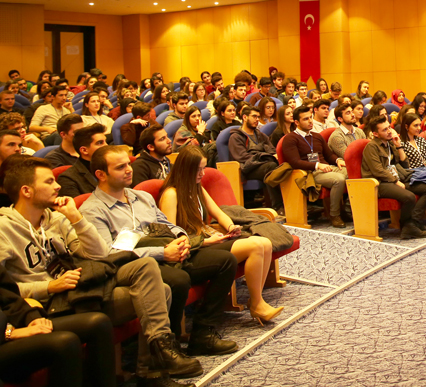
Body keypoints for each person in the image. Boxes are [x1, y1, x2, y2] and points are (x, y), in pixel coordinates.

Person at [1, 154, 200, 386]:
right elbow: (6, 291)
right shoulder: (5, 229)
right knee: (163, 290)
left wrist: (76, 219)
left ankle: (156, 361)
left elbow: (99, 256)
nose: (57, 185)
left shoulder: (56, 219)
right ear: (26, 191)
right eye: (48, 182)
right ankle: (152, 370)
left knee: (147, 269)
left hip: (80, 289)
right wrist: (48, 286)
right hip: (50, 303)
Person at [81, 146, 239, 358]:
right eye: (121, 167)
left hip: (166, 253)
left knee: (225, 260)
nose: (129, 170)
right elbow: (111, 252)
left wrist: (181, 238)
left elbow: (166, 224)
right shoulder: (92, 210)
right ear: (101, 174)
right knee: (178, 279)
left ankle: (202, 334)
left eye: (128, 164)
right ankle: (167, 348)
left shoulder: (141, 197)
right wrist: (162, 253)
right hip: (132, 266)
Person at [158, 145, 284, 323]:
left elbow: (217, 212)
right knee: (256, 246)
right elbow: (172, 237)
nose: (202, 174)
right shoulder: (171, 194)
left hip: (207, 239)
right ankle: (256, 303)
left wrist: (231, 226)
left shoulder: (196, 187)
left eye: (203, 168)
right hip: (193, 250)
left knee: (266, 243)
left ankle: (257, 301)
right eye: (198, 170)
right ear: (185, 169)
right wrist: (206, 242)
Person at [0, 262, 117, 387]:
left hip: (9, 326)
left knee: (98, 323)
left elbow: (9, 296)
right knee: (65, 343)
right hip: (4, 338)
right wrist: (9, 333)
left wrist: (31, 317)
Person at [361, 115, 426, 239]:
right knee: (409, 196)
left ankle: (411, 224)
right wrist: (395, 181)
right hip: (379, 183)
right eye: (384, 130)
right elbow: (378, 171)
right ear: (375, 134)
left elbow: (404, 164)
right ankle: (408, 226)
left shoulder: (390, 144)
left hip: (395, 179)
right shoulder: (372, 147)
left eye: (389, 127)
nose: (389, 131)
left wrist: (398, 146)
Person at [279, 106, 349, 228]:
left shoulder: (316, 136)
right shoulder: (290, 139)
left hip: (326, 168)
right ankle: (335, 214)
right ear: (296, 122)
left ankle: (349, 210)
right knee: (339, 180)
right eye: (306, 119)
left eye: (310, 118)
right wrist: (317, 165)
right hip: (309, 173)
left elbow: (328, 155)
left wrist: (338, 160)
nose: (310, 121)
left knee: (353, 173)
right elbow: (294, 162)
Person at [228, 107, 283, 211]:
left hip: (262, 164)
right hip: (247, 168)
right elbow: (242, 157)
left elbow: (271, 149)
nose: (257, 119)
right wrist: (264, 155)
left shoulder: (259, 134)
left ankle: (293, 203)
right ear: (244, 117)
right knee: (271, 166)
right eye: (254, 116)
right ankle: (278, 206)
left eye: (258, 117)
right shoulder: (236, 136)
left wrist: (269, 155)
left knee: (283, 165)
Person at [55, 124, 106, 198]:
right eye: (100, 143)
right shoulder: (68, 179)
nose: (106, 146)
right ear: (84, 150)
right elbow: (76, 208)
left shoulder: (113, 168)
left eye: (105, 142)